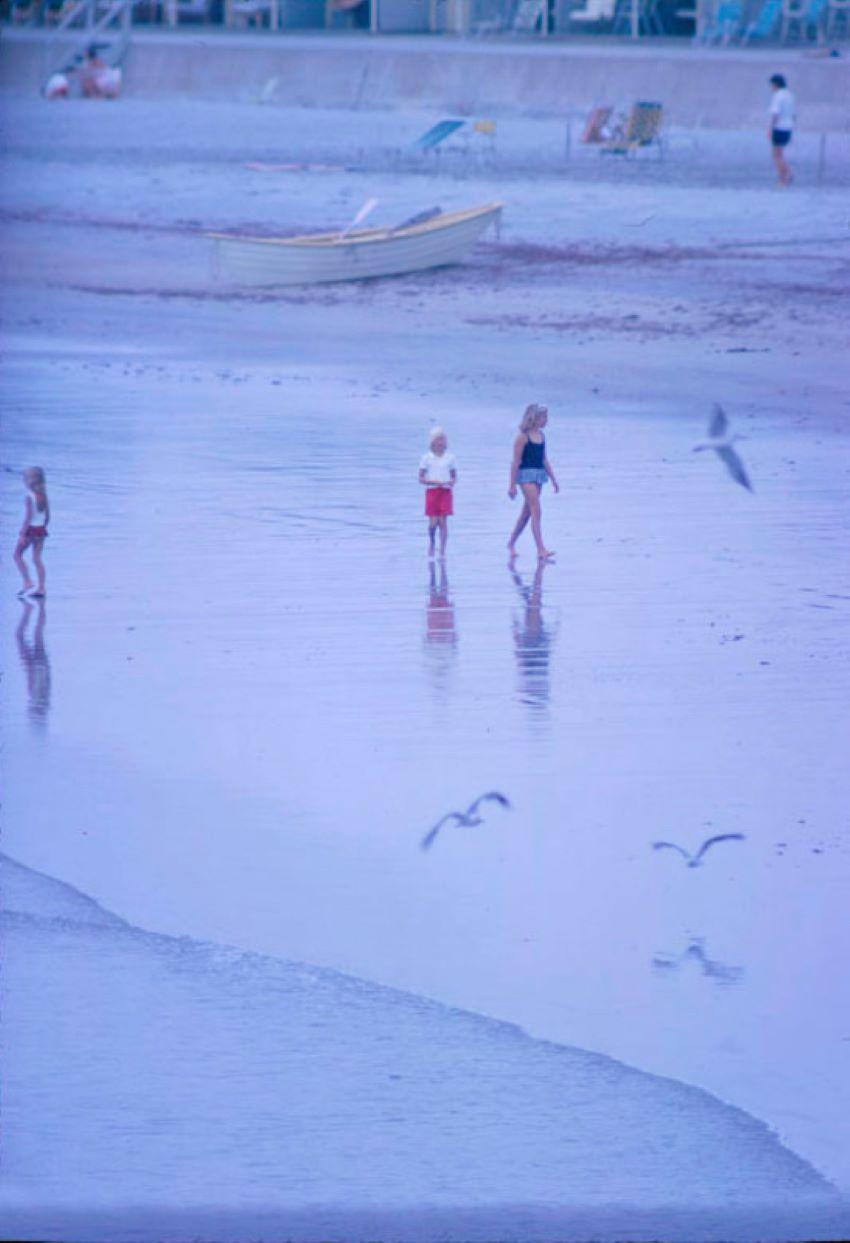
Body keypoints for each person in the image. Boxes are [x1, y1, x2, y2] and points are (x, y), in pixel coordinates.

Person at [507, 403, 559, 561]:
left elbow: (544, 459)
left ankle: (511, 543)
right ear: (534, 418)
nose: (546, 420)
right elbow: (515, 462)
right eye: (543, 417)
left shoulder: (542, 436)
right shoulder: (522, 437)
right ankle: (540, 549)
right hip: (525, 476)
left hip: (538, 475)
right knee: (536, 509)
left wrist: (553, 479)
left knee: (526, 513)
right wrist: (511, 485)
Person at [419, 427, 457, 559]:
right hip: (432, 492)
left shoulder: (450, 458)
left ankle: (442, 550)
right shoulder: (426, 458)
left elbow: (454, 476)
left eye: (442, 439)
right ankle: (432, 542)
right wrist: (433, 482)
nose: (441, 442)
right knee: (433, 523)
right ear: (433, 442)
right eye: (438, 439)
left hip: (445, 492)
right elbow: (421, 478)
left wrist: (451, 482)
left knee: (443, 522)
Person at [14, 467, 50, 598]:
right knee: (37, 559)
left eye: (26, 478)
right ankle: (41, 588)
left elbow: (28, 517)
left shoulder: (29, 497)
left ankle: (27, 581)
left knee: (17, 555)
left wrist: (22, 534)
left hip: (30, 530)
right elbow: (47, 517)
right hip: (41, 530)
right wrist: (43, 528)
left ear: (31, 481)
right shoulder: (44, 496)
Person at [768, 73, 795, 187]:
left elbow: (775, 114)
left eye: (771, 85)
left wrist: (770, 128)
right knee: (780, 154)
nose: (770, 88)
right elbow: (794, 114)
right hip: (788, 127)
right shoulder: (790, 95)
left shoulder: (778, 96)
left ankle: (784, 177)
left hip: (779, 127)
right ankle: (786, 176)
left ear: (775, 84)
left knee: (776, 155)